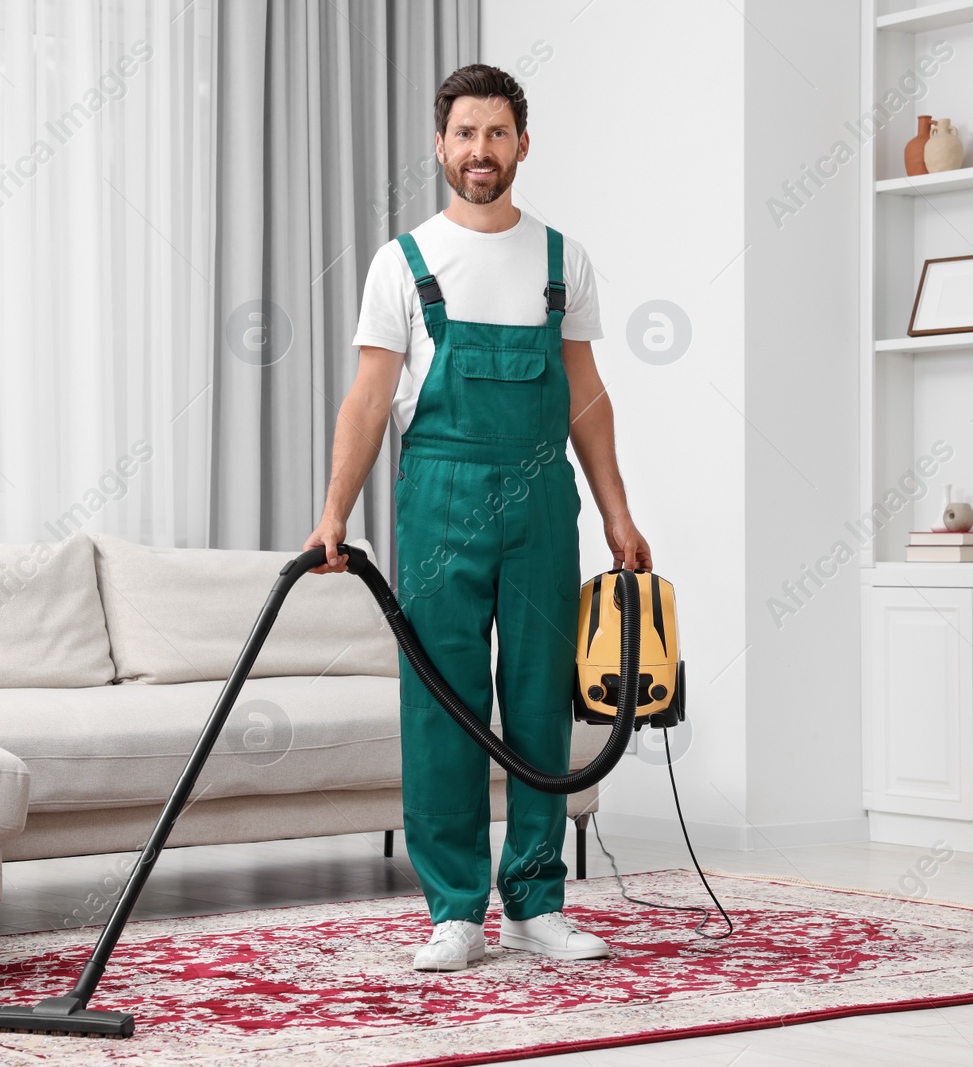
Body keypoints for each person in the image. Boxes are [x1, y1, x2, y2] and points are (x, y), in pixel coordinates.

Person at [303, 63, 650, 972]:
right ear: (441, 145)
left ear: (522, 144)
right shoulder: (404, 261)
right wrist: (333, 514)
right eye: (465, 133)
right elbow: (368, 402)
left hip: (541, 501)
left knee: (540, 697)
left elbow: (586, 398)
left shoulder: (559, 258)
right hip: (440, 502)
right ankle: (454, 910)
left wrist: (620, 516)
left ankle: (536, 904)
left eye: (497, 133)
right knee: (443, 704)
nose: (480, 150)